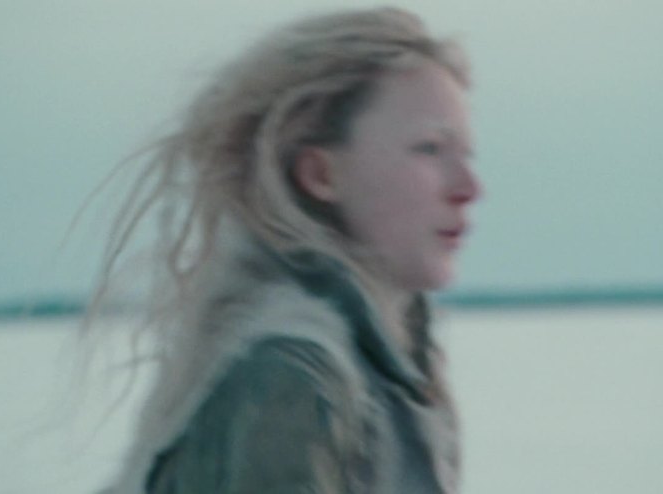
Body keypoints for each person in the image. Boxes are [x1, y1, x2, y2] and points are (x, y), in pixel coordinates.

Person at [94, 6, 480, 493]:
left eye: (466, 155)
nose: (469, 188)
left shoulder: (396, 376)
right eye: (429, 148)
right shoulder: (292, 379)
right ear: (320, 174)